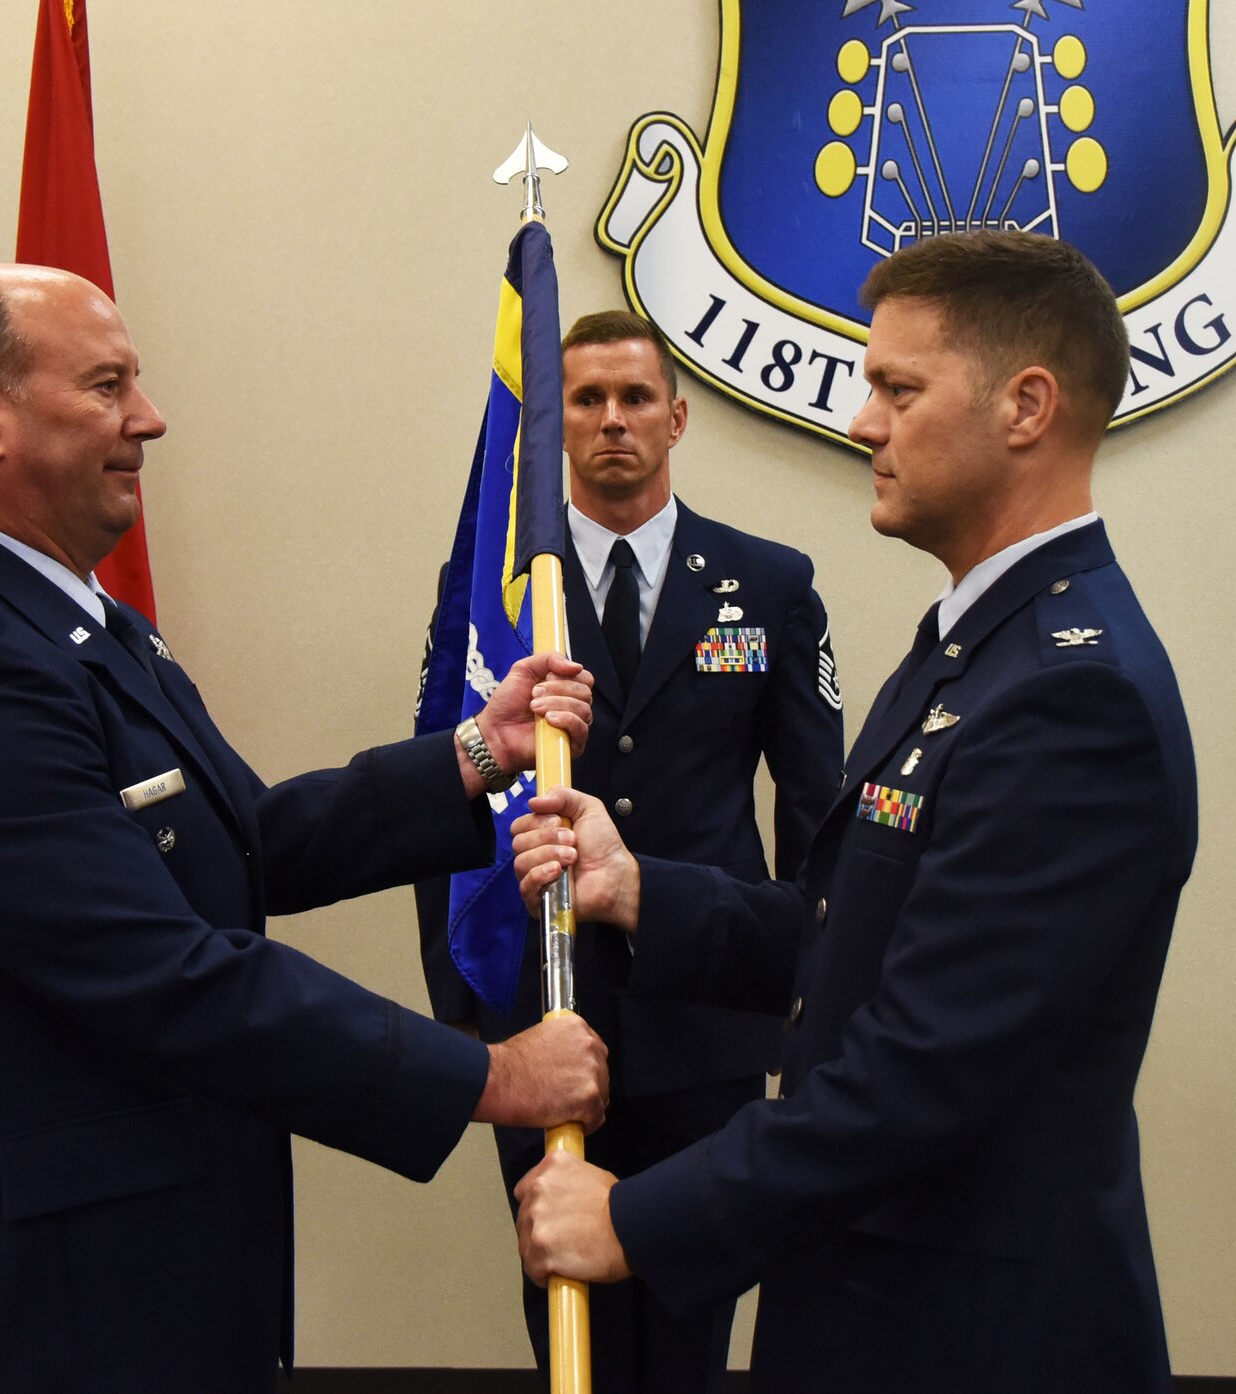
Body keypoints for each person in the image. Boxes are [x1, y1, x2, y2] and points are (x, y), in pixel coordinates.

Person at [0, 264, 608, 1394]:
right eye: (106, 385)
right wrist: (485, 1075)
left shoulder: (81, 623)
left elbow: (241, 841)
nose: (150, 416)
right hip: (44, 1311)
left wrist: (476, 754)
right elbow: (167, 973)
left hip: (149, 1270)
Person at [509, 231, 1198, 1392]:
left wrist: (641, 1215)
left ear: (1025, 406)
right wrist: (643, 891)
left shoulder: (1070, 693)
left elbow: (921, 1064)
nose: (861, 422)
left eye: (897, 388)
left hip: (967, 1325)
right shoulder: (972, 648)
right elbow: (856, 936)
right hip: (875, 1289)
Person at [415, 311, 844, 1391]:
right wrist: (456, 996)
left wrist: (812, 994)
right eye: (586, 399)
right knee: (562, 1307)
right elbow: (444, 788)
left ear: (678, 416)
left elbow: (813, 811)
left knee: (690, 1306)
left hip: (705, 1011)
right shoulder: (506, 590)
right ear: (554, 426)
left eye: (635, 398)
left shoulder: (771, 582)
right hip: (544, 1009)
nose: (612, 419)